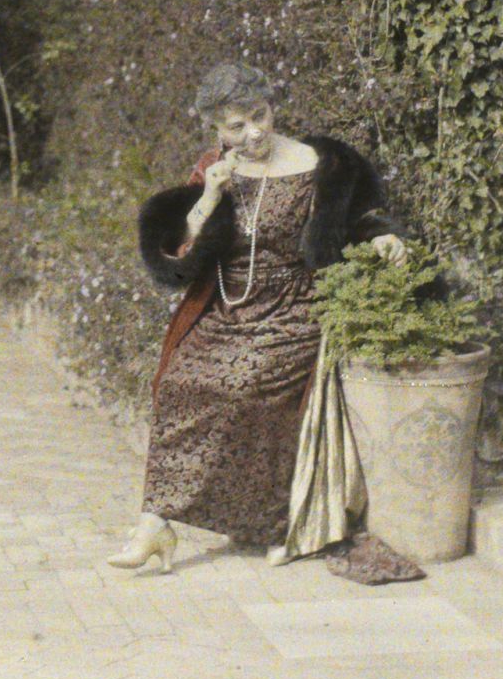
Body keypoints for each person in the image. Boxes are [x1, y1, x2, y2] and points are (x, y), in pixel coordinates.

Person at [107, 61, 408, 574]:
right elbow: (179, 256)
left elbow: (357, 218)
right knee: (181, 381)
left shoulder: (320, 162)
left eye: (260, 116)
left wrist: (380, 235)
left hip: (295, 307)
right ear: (217, 130)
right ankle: (154, 525)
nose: (253, 132)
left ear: (272, 107)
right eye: (236, 126)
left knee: (247, 386)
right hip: (228, 304)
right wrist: (209, 196)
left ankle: (276, 523)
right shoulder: (213, 169)